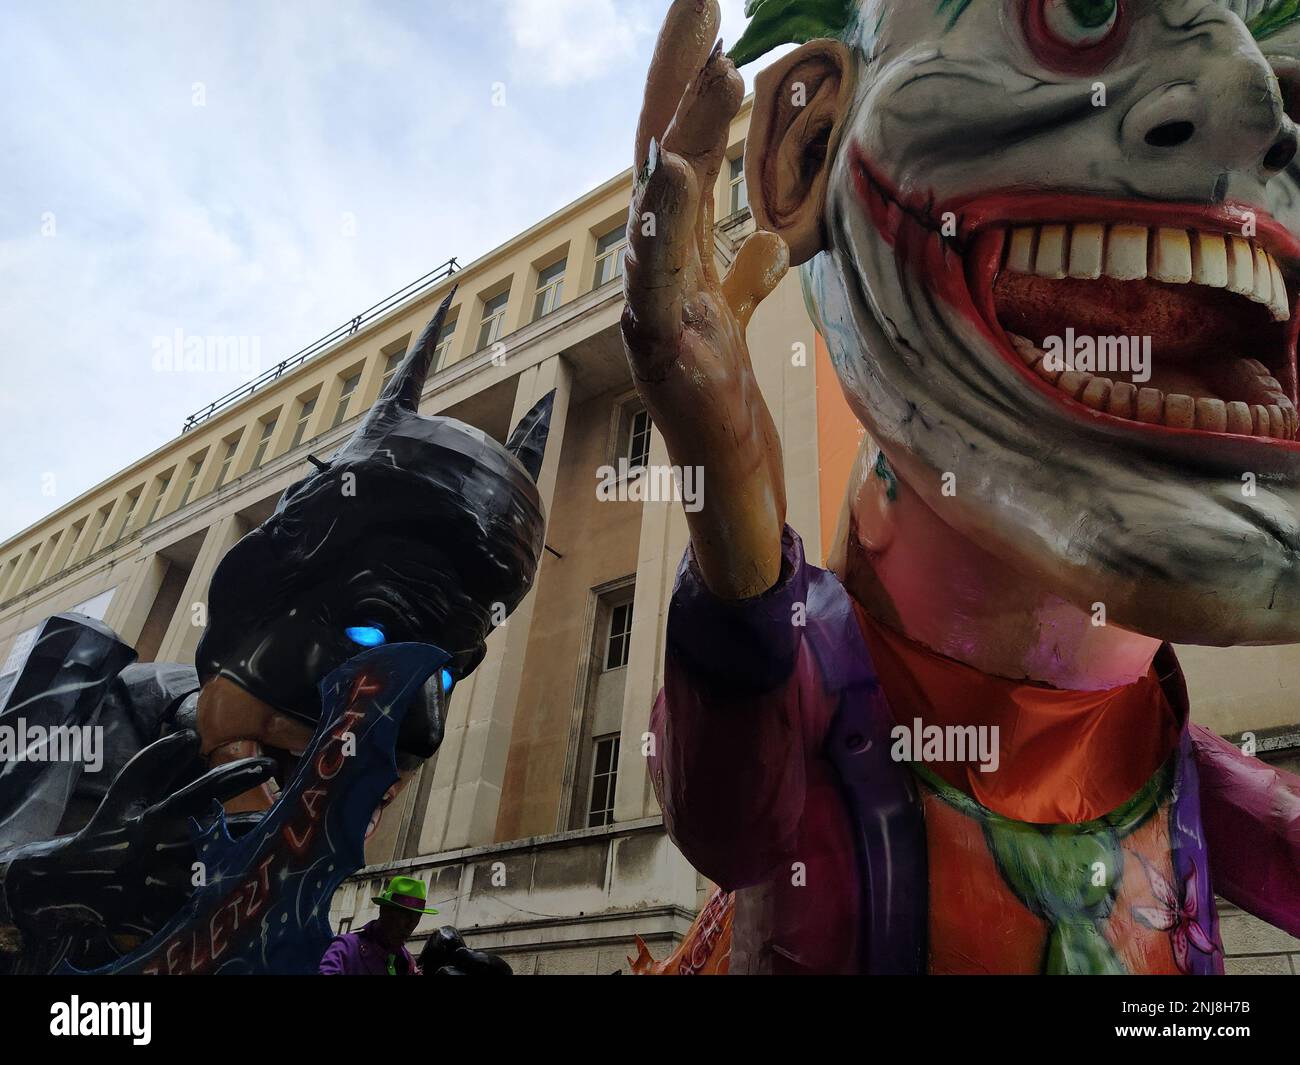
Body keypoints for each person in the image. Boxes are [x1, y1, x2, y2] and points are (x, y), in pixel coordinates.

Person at [318, 876, 437, 975]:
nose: (410, 925)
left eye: (417, 918)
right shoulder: (348, 947)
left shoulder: (407, 962)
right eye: (405, 915)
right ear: (384, 911)